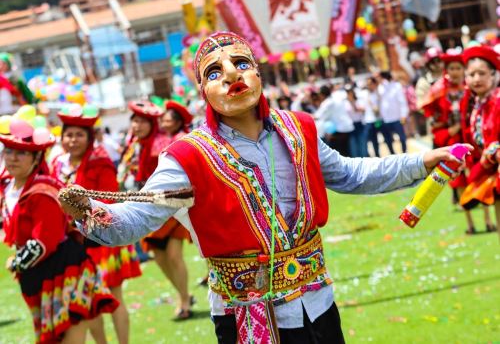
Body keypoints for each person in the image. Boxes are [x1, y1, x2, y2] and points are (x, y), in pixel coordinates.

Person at [60, 32, 469, 344]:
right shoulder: (187, 155)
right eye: (215, 73)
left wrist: (423, 159)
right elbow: (135, 219)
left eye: (241, 63)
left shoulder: (298, 129)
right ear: (203, 92)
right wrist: (89, 212)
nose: (233, 75)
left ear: (258, 72)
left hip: (317, 303)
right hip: (245, 315)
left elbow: (351, 174)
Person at [0, 115, 118, 344]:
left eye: (21, 152)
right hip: (38, 274)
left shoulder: (43, 191)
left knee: (68, 336)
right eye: (9, 151)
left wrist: (16, 262)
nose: (13, 158)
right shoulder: (8, 186)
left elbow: (46, 240)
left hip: (64, 271)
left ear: (36, 158)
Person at [51, 108, 141, 344]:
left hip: (102, 240)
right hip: (75, 245)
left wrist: (81, 215)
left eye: (79, 135)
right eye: (68, 135)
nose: (73, 140)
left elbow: (109, 202)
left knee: (114, 297)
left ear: (89, 137)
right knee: (88, 301)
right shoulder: (58, 165)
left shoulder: (100, 162)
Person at [422, 52, 488, 234]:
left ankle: (488, 220)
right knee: (459, 182)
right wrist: (452, 129)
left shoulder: (472, 89)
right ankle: (470, 224)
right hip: (451, 142)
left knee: (479, 177)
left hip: (471, 139)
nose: (456, 72)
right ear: (446, 70)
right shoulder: (437, 91)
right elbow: (435, 122)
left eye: (459, 68)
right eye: (452, 68)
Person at [143, 100, 195, 319]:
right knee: (159, 256)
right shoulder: (150, 141)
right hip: (153, 203)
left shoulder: (182, 140)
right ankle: (184, 294)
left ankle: (184, 301)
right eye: (162, 118)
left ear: (178, 122)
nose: (164, 121)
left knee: (174, 255)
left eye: (168, 118)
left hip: (176, 205)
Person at [459, 46, 499, 235]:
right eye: (472, 74)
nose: (477, 79)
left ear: (493, 75)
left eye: (482, 73)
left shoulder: (497, 101)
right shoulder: (475, 106)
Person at [314, 85, 354, 156]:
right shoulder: (336, 96)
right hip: (347, 127)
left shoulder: (327, 102)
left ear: (322, 95)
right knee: (347, 151)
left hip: (340, 130)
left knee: (341, 154)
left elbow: (317, 116)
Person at [377, 71, 409, 154]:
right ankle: (392, 154)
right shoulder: (380, 87)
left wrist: (403, 115)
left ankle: (404, 153)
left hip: (397, 117)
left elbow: (402, 102)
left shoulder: (396, 86)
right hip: (386, 118)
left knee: (402, 138)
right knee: (388, 139)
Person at [343, 84, 367, 157]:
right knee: (353, 146)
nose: (349, 93)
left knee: (362, 144)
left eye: (350, 91)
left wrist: (353, 103)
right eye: (347, 92)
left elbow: (363, 110)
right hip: (350, 126)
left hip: (359, 124)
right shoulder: (344, 102)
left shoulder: (359, 100)